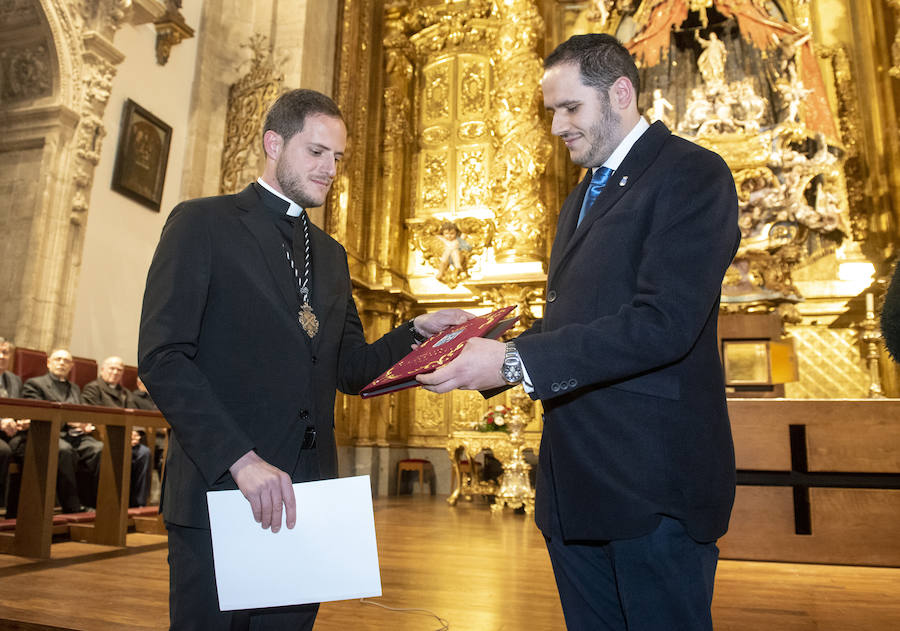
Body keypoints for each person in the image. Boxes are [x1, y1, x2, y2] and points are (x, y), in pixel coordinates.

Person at [418, 34, 741, 630]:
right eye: (551, 112)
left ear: (621, 93)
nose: (558, 126)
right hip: (577, 489)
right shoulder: (579, 198)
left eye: (571, 108)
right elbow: (582, 320)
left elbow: (662, 323)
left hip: (650, 486)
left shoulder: (693, 174)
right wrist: (481, 334)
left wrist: (514, 361)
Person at [138, 88, 469, 630]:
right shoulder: (203, 223)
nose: (330, 169)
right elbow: (163, 357)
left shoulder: (331, 255)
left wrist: (415, 332)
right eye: (316, 152)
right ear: (274, 143)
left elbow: (350, 369)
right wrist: (241, 461)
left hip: (304, 500)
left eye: (337, 157)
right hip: (222, 489)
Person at [20, 349, 103, 512]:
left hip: (75, 436)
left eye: (66, 361)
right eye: (58, 359)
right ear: (49, 363)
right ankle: (72, 506)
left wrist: (84, 423)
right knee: (65, 451)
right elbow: (36, 413)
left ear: (71, 366)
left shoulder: (74, 388)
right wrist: (69, 421)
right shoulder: (35, 384)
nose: (62, 363)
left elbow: (80, 412)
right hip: (48, 433)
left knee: (99, 449)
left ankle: (94, 503)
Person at [82, 356, 152, 507]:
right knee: (104, 451)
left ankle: (137, 505)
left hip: (126, 439)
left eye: (119, 370)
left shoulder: (125, 393)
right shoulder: (93, 388)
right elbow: (93, 416)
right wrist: (123, 435)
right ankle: (103, 504)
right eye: (111, 368)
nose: (115, 372)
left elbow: (135, 416)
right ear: (102, 370)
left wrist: (135, 434)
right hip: (104, 437)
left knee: (144, 453)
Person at [0, 337, 22, 507]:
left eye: (5, 353)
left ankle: (20, 511)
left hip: (12, 432)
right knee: (3, 451)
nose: (1, 356)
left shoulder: (14, 380)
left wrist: (22, 421)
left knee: (36, 447)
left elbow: (19, 407)